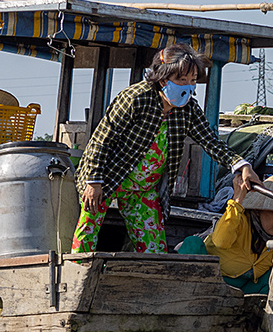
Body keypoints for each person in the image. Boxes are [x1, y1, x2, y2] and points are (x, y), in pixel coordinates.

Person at [73, 43, 262, 254]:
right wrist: (94, 182)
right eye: (182, 80)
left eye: (192, 81)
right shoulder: (135, 98)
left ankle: (152, 283)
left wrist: (241, 165)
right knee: (87, 233)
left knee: (154, 249)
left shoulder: (188, 109)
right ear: (163, 79)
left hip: (142, 189)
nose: (189, 87)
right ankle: (75, 277)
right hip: (106, 178)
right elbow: (101, 140)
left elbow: (211, 141)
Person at [179, 176, 273, 332]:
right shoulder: (239, 221)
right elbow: (221, 241)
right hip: (208, 286)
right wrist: (237, 200)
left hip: (244, 293)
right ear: (257, 210)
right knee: (192, 244)